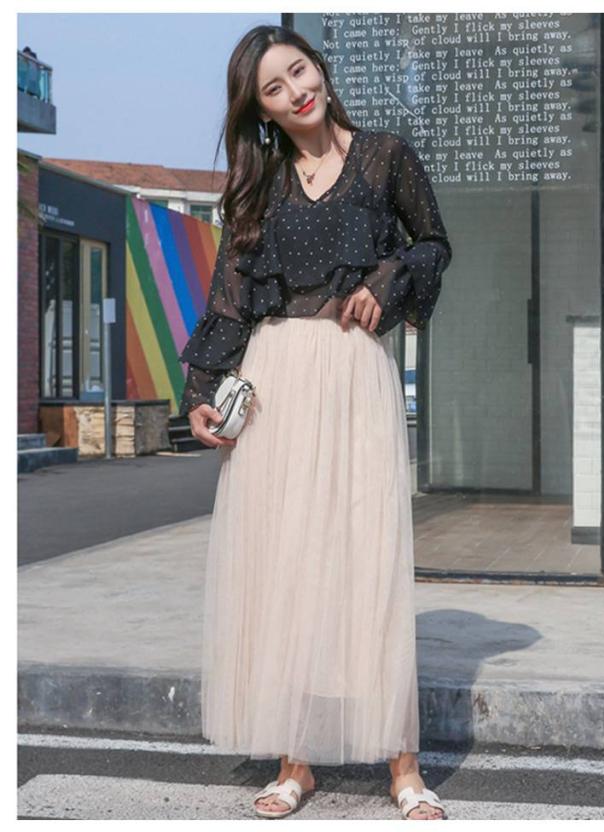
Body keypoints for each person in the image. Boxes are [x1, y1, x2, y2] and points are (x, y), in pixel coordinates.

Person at [178, 24, 452, 821]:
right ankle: (294, 760)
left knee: (368, 556)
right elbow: (230, 299)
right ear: (260, 110)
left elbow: (434, 243)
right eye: (274, 87)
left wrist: (388, 278)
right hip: (275, 382)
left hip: (354, 370)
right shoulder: (258, 188)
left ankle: (404, 763)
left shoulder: (385, 157)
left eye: (298, 70)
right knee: (286, 562)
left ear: (320, 69)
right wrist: (201, 389)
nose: (295, 90)